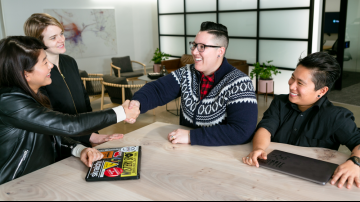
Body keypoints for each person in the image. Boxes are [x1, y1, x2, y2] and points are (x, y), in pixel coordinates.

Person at [0, 36, 140, 185]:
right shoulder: (9, 102)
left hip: (39, 179)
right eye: (44, 62)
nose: (51, 66)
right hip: (12, 187)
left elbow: (50, 133)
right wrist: (121, 112)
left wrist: (79, 149)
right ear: (25, 73)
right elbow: (70, 125)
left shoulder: (32, 94)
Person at [128, 21, 258, 146]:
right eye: (194, 45)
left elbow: (242, 131)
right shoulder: (186, 73)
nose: (194, 51)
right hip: (187, 153)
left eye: (202, 47)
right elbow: (157, 90)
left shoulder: (240, 82)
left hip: (222, 157)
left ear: (220, 51)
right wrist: (136, 103)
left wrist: (192, 136)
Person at [242, 52, 360, 189]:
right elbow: (266, 128)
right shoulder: (280, 103)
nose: (291, 85)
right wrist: (258, 149)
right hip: (268, 176)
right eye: (293, 78)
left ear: (322, 91)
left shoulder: (336, 117)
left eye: (300, 83)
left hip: (309, 185)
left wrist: (355, 162)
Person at [23, 13, 120, 150]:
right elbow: (50, 122)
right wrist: (86, 138)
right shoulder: (38, 74)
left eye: (61, 34)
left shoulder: (69, 62)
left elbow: (85, 101)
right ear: (38, 42)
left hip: (88, 136)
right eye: (53, 37)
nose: (61, 39)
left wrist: (93, 134)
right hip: (64, 145)